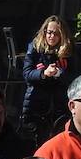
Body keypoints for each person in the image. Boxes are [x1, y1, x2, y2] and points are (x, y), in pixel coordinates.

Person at [20, 16, 75, 145]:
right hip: (36, 104)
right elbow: (27, 74)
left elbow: (74, 79)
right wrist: (43, 73)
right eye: (49, 32)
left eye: (56, 33)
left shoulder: (68, 51)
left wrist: (59, 73)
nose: (51, 36)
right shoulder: (35, 48)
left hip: (59, 105)